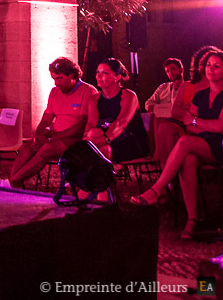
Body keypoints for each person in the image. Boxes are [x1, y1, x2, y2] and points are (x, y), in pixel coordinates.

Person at [132, 48, 223, 240]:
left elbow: (219, 126)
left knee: (184, 141)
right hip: (201, 142)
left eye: (217, 66)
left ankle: (157, 190)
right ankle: (192, 220)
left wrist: (199, 123)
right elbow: (189, 124)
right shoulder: (199, 96)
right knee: (188, 159)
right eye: (208, 65)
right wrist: (202, 125)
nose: (211, 69)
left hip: (219, 145)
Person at [0, 57, 96, 189]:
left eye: (59, 78)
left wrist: (49, 138)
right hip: (53, 138)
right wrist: (39, 136)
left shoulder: (88, 91)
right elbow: (45, 120)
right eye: (54, 79)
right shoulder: (54, 92)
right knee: (27, 147)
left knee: (46, 148)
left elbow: (80, 127)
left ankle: (10, 183)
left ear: (72, 76)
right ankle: (13, 183)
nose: (56, 83)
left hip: (75, 141)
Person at [84, 58, 149, 163]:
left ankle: (102, 175)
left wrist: (104, 139)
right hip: (104, 138)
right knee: (94, 134)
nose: (99, 76)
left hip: (130, 141)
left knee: (104, 148)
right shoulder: (94, 99)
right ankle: (103, 176)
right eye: (97, 72)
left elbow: (121, 123)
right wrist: (87, 138)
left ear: (117, 77)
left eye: (104, 73)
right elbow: (91, 123)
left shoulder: (128, 96)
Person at [145, 57, 185, 164]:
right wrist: (163, 109)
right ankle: (152, 151)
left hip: (179, 120)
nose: (170, 73)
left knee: (159, 120)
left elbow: (180, 108)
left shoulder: (188, 86)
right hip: (161, 119)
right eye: (167, 71)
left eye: (173, 69)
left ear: (181, 69)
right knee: (148, 117)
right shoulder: (163, 88)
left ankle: (157, 153)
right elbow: (148, 104)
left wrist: (176, 90)